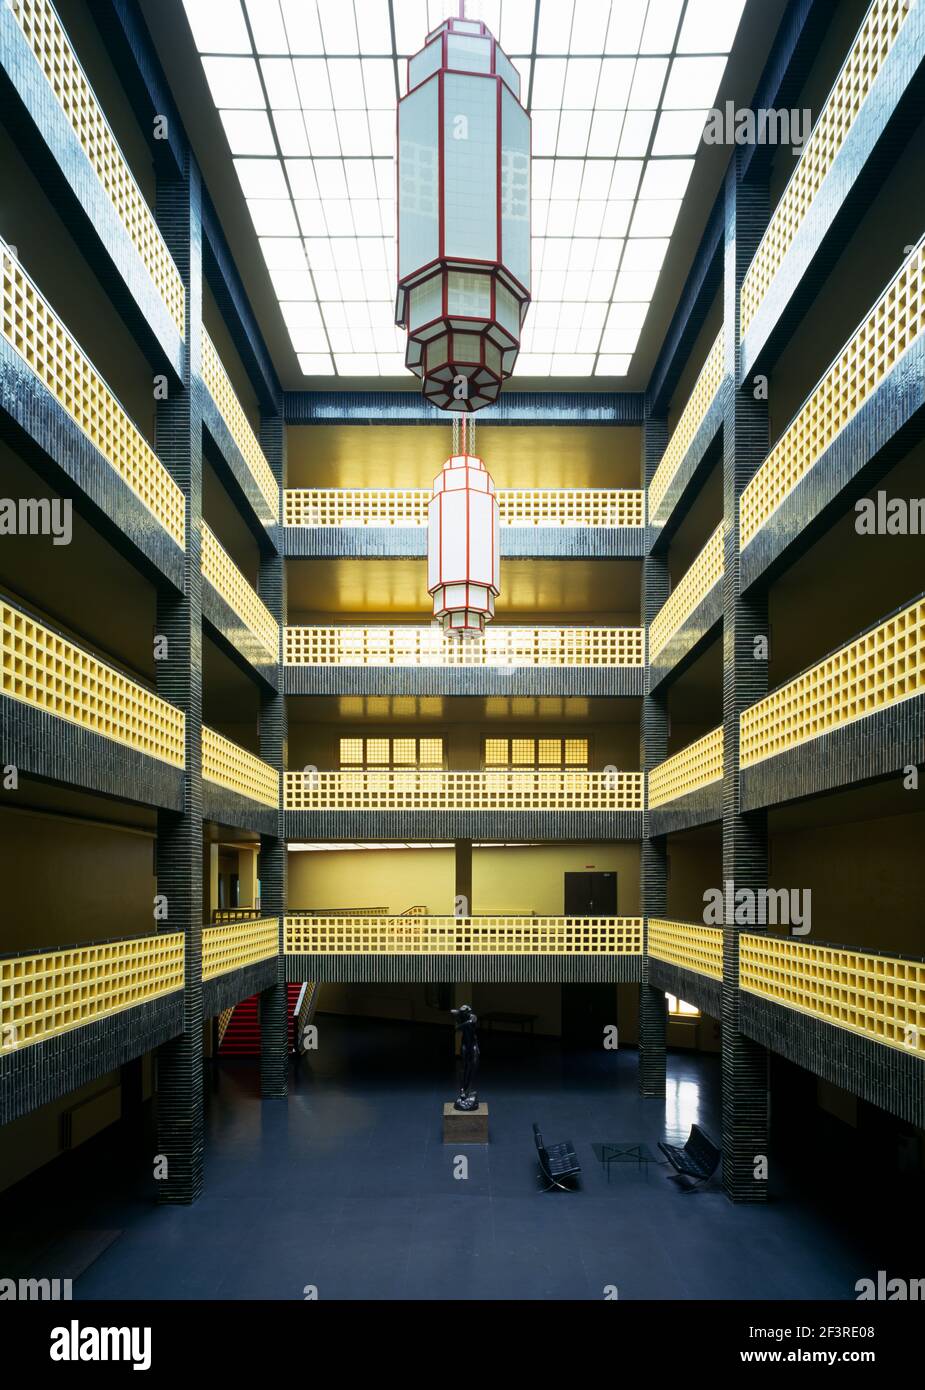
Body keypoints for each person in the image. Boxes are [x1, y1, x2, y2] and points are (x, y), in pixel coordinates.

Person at [450, 1004, 480, 1112]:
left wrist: (460, 1021)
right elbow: (452, 1011)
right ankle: (463, 1089)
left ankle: (467, 1090)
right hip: (465, 1046)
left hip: (472, 1046)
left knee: (472, 1068)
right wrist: (458, 1012)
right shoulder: (463, 1016)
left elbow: (465, 1025)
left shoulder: (472, 1017)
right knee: (464, 1068)